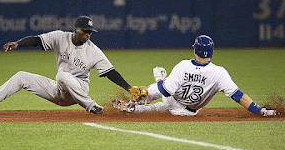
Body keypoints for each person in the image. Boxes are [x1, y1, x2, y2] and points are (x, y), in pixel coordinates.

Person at [0, 16, 134, 116]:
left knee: (62, 75)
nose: (88, 35)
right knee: (21, 76)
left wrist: (128, 88)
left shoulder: (93, 51)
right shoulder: (60, 37)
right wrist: (17, 44)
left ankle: (92, 106)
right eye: (85, 31)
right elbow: (36, 40)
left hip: (80, 89)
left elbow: (110, 72)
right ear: (75, 30)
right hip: (59, 90)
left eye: (90, 32)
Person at [112, 35, 276, 116]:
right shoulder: (220, 73)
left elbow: (166, 91)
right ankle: (135, 108)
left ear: (195, 50)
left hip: (172, 100)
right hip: (187, 112)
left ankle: (135, 101)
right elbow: (239, 96)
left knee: (155, 89)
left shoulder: (183, 65)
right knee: (159, 108)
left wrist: (159, 78)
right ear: (212, 52)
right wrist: (260, 111)